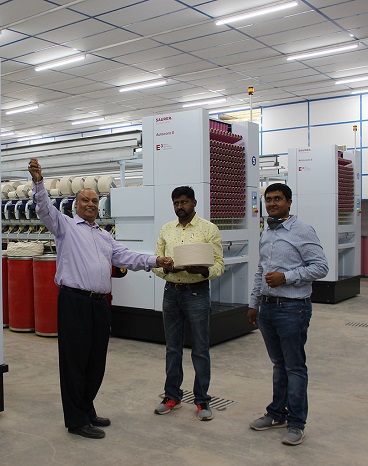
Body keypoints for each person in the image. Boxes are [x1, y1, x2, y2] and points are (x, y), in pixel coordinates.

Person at [28, 158, 174, 440]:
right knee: (74, 362)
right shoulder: (65, 228)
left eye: (94, 200)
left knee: (96, 361)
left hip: (99, 304)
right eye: (85, 200)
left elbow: (128, 257)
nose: (91, 204)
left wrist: (157, 260)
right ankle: (76, 420)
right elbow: (44, 209)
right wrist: (37, 183)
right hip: (74, 303)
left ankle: (87, 408)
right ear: (76, 205)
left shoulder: (105, 237)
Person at [247, 182, 328, 446]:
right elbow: (261, 270)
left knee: (294, 367)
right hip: (268, 308)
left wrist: (287, 277)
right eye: (268, 199)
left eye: (277, 199)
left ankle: (296, 423)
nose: (271, 204)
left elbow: (320, 267)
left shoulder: (302, 230)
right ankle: (276, 413)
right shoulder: (267, 232)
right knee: (279, 365)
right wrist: (254, 303)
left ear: (289, 202)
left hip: (293, 308)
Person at [153, 186, 224, 421]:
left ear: (194, 203)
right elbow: (156, 262)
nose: (179, 207)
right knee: (172, 348)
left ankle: (202, 400)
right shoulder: (166, 229)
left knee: (200, 349)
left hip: (197, 293)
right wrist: (166, 267)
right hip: (171, 292)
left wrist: (203, 272)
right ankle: (172, 396)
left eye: (184, 202)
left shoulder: (209, 229)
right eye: (176, 203)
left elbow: (219, 265)